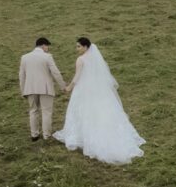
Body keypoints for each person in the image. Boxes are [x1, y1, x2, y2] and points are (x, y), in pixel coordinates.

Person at [53, 37, 145, 165]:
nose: (77, 49)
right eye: (77, 46)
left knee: (83, 111)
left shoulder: (81, 60)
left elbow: (77, 76)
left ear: (86, 47)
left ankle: (83, 137)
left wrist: (69, 87)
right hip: (97, 90)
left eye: (79, 46)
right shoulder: (95, 59)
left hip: (84, 90)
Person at [19, 37, 67, 142]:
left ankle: (34, 135)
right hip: (45, 89)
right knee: (46, 112)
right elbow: (56, 73)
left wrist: (23, 90)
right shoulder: (47, 57)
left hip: (30, 88)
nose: (47, 48)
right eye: (47, 46)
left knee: (33, 111)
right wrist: (63, 86)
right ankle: (46, 135)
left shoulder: (24, 57)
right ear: (43, 45)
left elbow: (21, 76)